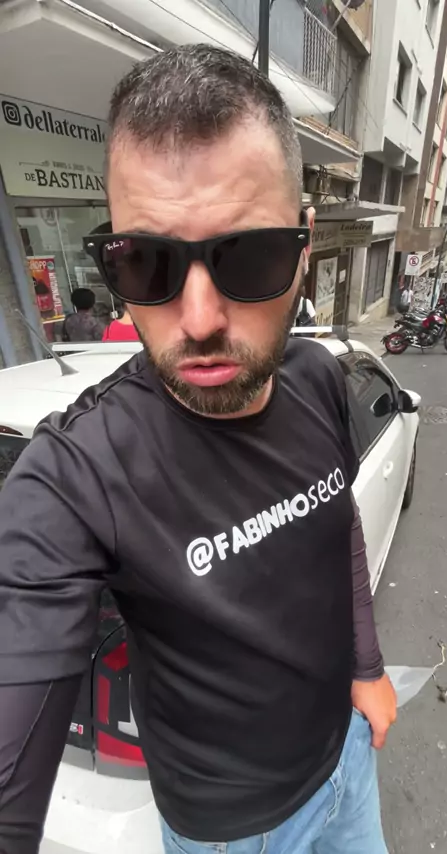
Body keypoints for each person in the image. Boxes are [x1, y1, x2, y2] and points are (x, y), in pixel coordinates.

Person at [0, 46, 396, 854]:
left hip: (350, 765)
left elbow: (341, 528)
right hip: (227, 835)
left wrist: (367, 667)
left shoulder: (318, 377)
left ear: (304, 245)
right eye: (148, 263)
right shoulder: (78, 474)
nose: (201, 318)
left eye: (249, 256)